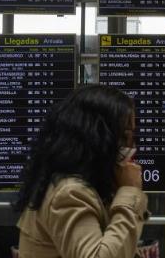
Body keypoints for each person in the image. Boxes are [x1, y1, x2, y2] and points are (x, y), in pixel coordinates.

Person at [14, 85, 149, 258]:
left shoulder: (69, 182)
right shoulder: (69, 192)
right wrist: (130, 192)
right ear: (98, 137)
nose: (131, 146)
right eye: (124, 135)